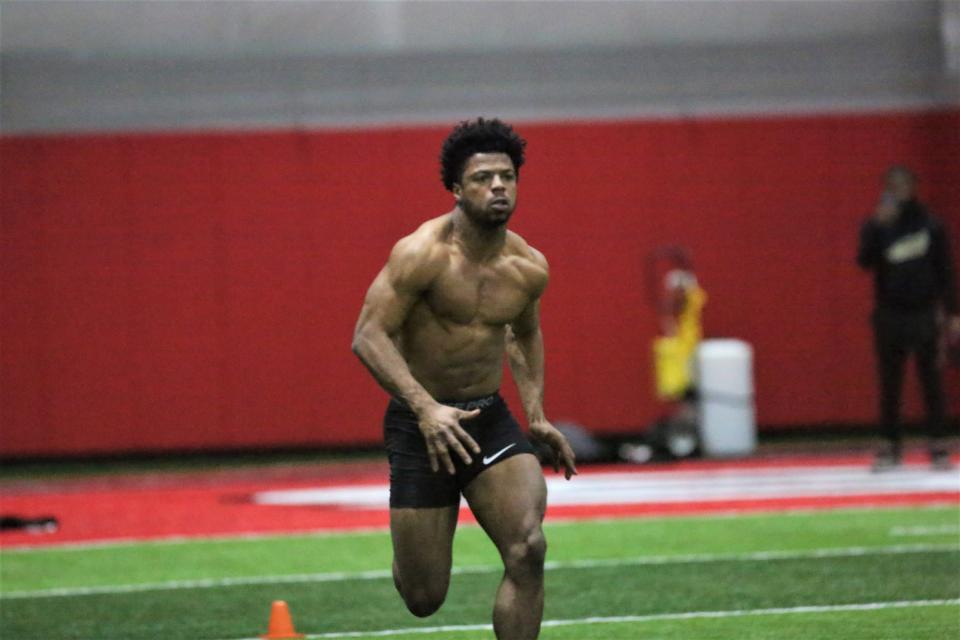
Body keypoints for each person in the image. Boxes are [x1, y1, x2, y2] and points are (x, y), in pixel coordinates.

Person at [351, 117, 577, 639]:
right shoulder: (421, 254)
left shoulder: (528, 266)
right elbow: (368, 335)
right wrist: (425, 408)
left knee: (529, 547)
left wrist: (536, 415)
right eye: (482, 178)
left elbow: (523, 334)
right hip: (421, 425)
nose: (498, 187)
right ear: (456, 188)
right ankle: (412, 559)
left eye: (507, 177)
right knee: (424, 598)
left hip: (488, 418)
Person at [857, 165, 959, 471]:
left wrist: (953, 313)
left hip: (924, 312)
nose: (897, 191)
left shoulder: (930, 225)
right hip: (889, 313)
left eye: (903, 185)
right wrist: (876, 228)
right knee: (890, 383)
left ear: (914, 187)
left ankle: (938, 446)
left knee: (931, 381)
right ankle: (890, 446)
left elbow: (946, 271)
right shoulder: (878, 224)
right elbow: (864, 261)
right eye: (891, 186)